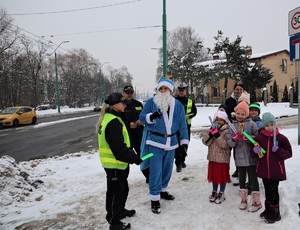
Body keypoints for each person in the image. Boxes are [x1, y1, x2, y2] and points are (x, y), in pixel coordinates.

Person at [139, 77, 189, 214]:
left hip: (172, 142)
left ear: (171, 91)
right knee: (156, 170)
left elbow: (182, 125)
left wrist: (184, 142)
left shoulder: (177, 105)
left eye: (165, 88)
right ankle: (154, 198)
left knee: (167, 169)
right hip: (155, 141)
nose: (163, 91)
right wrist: (150, 116)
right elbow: (142, 117)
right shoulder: (151, 102)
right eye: (161, 88)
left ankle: (163, 190)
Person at [96, 92, 143, 230]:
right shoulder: (113, 122)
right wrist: (134, 158)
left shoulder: (114, 118)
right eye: (123, 103)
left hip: (119, 164)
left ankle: (120, 211)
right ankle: (113, 220)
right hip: (114, 164)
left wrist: (131, 156)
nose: (125, 106)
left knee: (123, 190)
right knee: (115, 193)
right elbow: (119, 149)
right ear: (116, 105)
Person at [252, 112, 292, 224]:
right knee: (267, 191)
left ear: (275, 124)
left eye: (272, 124)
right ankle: (268, 210)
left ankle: (275, 214)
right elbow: (254, 153)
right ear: (263, 126)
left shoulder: (281, 138)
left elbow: (289, 153)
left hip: (276, 171)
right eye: (267, 125)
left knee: (273, 192)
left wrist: (278, 150)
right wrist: (255, 151)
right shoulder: (260, 138)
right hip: (264, 171)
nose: (270, 127)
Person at [226, 101, 262, 212]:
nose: (240, 116)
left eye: (242, 114)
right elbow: (230, 143)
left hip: (251, 157)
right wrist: (234, 139)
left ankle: (256, 201)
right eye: (238, 113)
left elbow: (258, 138)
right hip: (240, 158)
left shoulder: (252, 124)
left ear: (246, 114)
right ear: (235, 113)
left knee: (253, 178)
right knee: (241, 179)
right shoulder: (232, 126)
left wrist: (249, 138)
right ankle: (243, 199)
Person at [202, 110, 231, 204]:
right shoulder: (211, 129)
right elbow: (205, 142)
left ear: (225, 121)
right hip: (212, 157)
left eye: (221, 120)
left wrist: (217, 135)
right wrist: (210, 134)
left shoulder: (227, 131)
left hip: (222, 159)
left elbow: (225, 145)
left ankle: (221, 192)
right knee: (214, 176)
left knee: (222, 176)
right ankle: (214, 192)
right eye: (217, 120)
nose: (218, 122)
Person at [122, 85, 149, 183]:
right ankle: (123, 179)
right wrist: (129, 125)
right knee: (126, 158)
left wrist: (142, 121)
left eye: (130, 92)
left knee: (143, 156)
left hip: (139, 135)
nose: (129, 94)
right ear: (123, 93)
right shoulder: (121, 105)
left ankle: (148, 176)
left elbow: (144, 116)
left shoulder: (138, 104)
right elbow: (118, 121)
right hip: (127, 136)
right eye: (127, 92)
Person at [174, 83, 197, 172]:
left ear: (185, 91)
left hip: (186, 125)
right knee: (177, 145)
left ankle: (182, 160)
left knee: (185, 144)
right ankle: (178, 163)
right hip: (176, 126)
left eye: (182, 90)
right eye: (179, 90)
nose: (181, 92)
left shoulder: (190, 101)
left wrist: (188, 116)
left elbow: (194, 112)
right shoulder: (174, 101)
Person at [225, 81, 246, 179]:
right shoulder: (229, 100)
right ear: (234, 89)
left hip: (244, 126)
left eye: (240, 89)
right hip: (232, 126)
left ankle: (244, 170)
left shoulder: (246, 99)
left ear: (243, 90)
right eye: (237, 89)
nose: (238, 91)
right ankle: (238, 169)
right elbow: (225, 112)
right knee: (234, 149)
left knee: (243, 148)